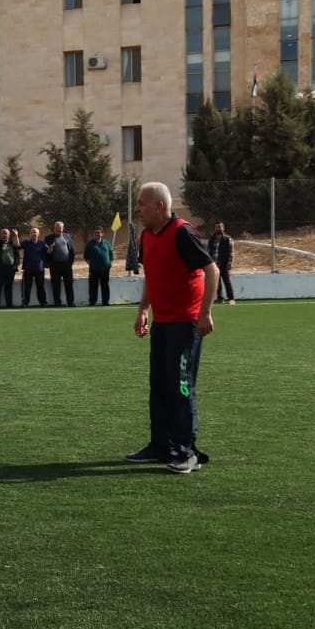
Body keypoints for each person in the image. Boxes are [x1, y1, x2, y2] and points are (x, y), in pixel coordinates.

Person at [130, 182, 218, 474]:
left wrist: (205, 313)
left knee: (181, 386)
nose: (137, 209)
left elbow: (212, 270)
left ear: (159, 206)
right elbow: (152, 275)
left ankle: (186, 452)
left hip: (185, 324)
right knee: (159, 385)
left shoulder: (182, 232)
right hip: (162, 323)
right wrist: (143, 310)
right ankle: (161, 446)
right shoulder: (146, 236)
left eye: (142, 203)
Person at [0, 227, 20, 309]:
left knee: (9, 287)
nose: (4, 235)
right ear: (0, 235)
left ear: (9, 235)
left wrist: (16, 265)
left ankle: (9, 304)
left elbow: (18, 252)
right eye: (3, 233)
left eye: (6, 233)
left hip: (10, 269)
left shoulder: (12, 244)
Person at [46, 220, 76, 307]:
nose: (58, 230)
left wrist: (70, 263)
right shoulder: (49, 238)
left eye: (60, 228)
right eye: (56, 228)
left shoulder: (67, 237)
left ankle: (70, 302)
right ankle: (57, 303)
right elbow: (45, 252)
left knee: (69, 284)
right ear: (54, 228)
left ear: (63, 228)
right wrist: (49, 250)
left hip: (66, 265)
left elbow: (72, 250)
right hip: (54, 266)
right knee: (56, 285)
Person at [84, 226, 115, 307]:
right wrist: (92, 264)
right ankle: (92, 302)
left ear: (102, 233)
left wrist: (109, 264)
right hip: (93, 269)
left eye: (98, 232)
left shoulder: (107, 243)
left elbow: (111, 255)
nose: (97, 234)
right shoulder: (90, 244)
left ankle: (105, 302)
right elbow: (86, 256)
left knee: (105, 286)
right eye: (95, 233)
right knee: (93, 286)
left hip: (105, 269)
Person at [207, 221, 235, 304]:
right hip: (214, 264)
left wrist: (230, 263)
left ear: (223, 228)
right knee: (217, 282)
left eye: (220, 227)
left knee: (227, 281)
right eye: (216, 227)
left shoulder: (227, 239)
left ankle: (231, 298)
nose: (218, 228)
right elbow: (209, 250)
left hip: (224, 264)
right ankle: (220, 298)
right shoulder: (212, 239)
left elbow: (231, 252)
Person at [20, 227, 48, 307]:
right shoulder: (26, 243)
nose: (33, 234)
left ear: (38, 234)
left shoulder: (42, 243)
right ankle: (25, 302)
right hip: (28, 268)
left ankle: (43, 302)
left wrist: (51, 248)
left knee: (40, 286)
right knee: (27, 287)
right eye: (32, 232)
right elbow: (18, 246)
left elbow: (48, 251)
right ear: (30, 234)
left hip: (39, 269)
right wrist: (16, 236)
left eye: (35, 232)